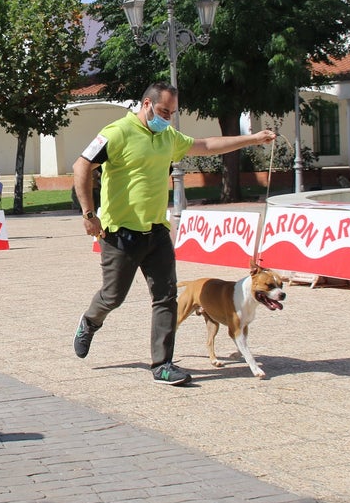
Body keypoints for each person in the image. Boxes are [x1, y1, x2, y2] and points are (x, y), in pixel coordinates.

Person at [71, 81, 276, 386]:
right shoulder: (116, 133)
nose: (166, 118)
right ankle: (89, 321)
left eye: (172, 113)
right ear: (146, 105)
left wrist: (252, 139)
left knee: (166, 297)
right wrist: (89, 215)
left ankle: (162, 365)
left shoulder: (168, 136)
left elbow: (205, 146)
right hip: (120, 234)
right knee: (113, 296)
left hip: (156, 232)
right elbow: (81, 166)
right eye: (163, 111)